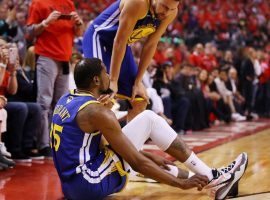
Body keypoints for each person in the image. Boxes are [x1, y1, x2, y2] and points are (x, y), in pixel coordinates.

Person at [51, 58, 248, 200]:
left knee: (148, 140)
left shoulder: (67, 99)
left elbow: (101, 146)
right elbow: (136, 162)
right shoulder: (97, 112)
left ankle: (211, 179)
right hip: (88, 184)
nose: (109, 76)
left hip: (72, 184)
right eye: (105, 73)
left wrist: (149, 156)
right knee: (149, 120)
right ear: (96, 80)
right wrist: (180, 185)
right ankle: (215, 179)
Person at [82, 0, 180, 121]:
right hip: (99, 38)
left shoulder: (171, 12)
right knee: (105, 94)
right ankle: (92, 137)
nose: (166, 13)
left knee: (139, 99)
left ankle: (129, 139)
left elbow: (150, 45)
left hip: (121, 44)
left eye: (171, 9)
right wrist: (113, 80)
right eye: (165, 7)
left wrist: (138, 81)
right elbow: (119, 41)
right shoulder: (138, 3)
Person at [26, 0, 84, 157]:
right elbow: (30, 31)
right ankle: (43, 144)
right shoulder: (38, 3)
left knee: (61, 105)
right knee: (44, 101)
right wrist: (46, 22)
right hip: (47, 56)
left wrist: (78, 23)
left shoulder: (68, 3)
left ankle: (56, 142)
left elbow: (78, 33)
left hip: (65, 58)